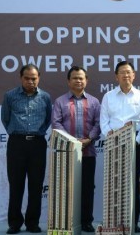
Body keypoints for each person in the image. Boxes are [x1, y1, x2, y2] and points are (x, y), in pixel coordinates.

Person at [100, 61, 140, 233]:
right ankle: (114, 221)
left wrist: (136, 142)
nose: (126, 75)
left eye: (129, 72)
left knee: (131, 183)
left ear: (134, 75)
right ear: (116, 76)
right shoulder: (108, 96)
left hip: (133, 145)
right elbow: (104, 121)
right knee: (114, 182)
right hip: (113, 144)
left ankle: (132, 221)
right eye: (122, 72)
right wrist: (111, 137)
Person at [1, 64, 52, 234]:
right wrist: (16, 134)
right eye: (27, 78)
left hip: (37, 144)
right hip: (17, 144)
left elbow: (47, 120)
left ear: (39, 78)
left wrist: (37, 134)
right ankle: (14, 223)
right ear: (21, 78)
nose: (31, 81)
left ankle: (32, 223)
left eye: (34, 78)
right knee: (16, 185)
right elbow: (5, 119)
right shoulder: (10, 96)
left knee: (36, 185)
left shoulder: (45, 97)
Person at [51, 66, 101, 233]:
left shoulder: (94, 102)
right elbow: (56, 124)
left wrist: (88, 139)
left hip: (88, 152)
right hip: (66, 153)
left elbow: (98, 123)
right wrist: (72, 142)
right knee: (66, 188)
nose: (78, 81)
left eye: (81, 78)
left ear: (86, 81)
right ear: (68, 81)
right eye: (75, 78)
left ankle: (87, 221)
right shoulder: (60, 101)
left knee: (87, 188)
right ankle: (67, 221)